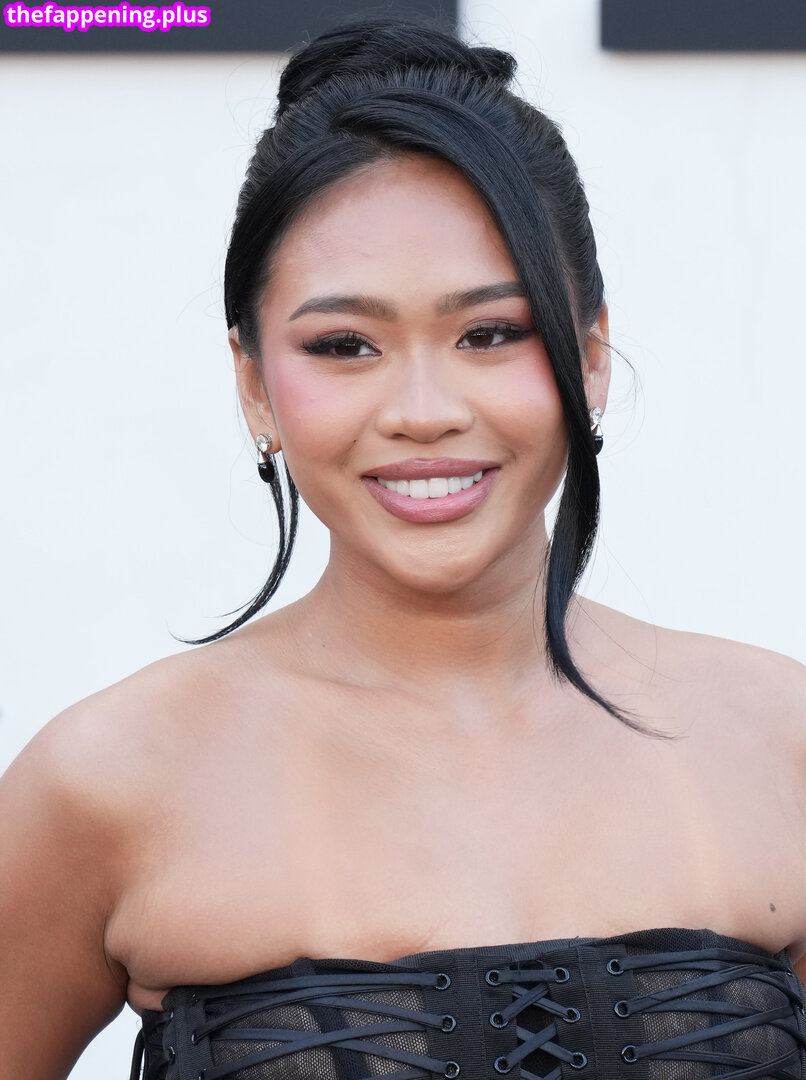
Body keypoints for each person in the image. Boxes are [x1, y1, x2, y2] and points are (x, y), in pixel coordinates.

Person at [2, 12, 805, 1080]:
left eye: (490, 333)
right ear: (255, 384)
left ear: (591, 354)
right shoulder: (104, 781)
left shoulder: (778, 742)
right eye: (345, 345)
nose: (423, 410)